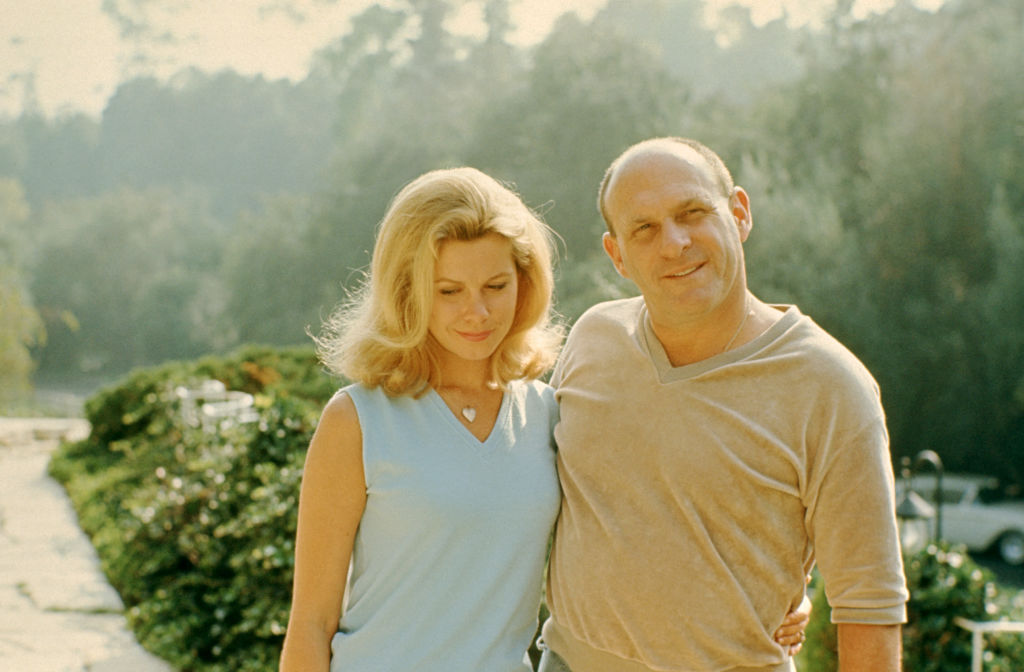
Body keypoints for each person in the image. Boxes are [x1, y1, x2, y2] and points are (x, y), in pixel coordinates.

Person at [279, 165, 809, 672]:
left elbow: (654, 521)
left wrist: (777, 598)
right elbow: (311, 623)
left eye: (495, 286)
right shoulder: (358, 420)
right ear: (407, 291)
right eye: (448, 291)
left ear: (524, 283)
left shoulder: (549, 413)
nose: (477, 312)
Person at [538, 137, 909, 672]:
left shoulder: (831, 386)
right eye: (644, 228)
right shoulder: (594, 338)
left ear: (739, 213)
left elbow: (870, 606)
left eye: (693, 213)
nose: (674, 243)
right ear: (616, 254)